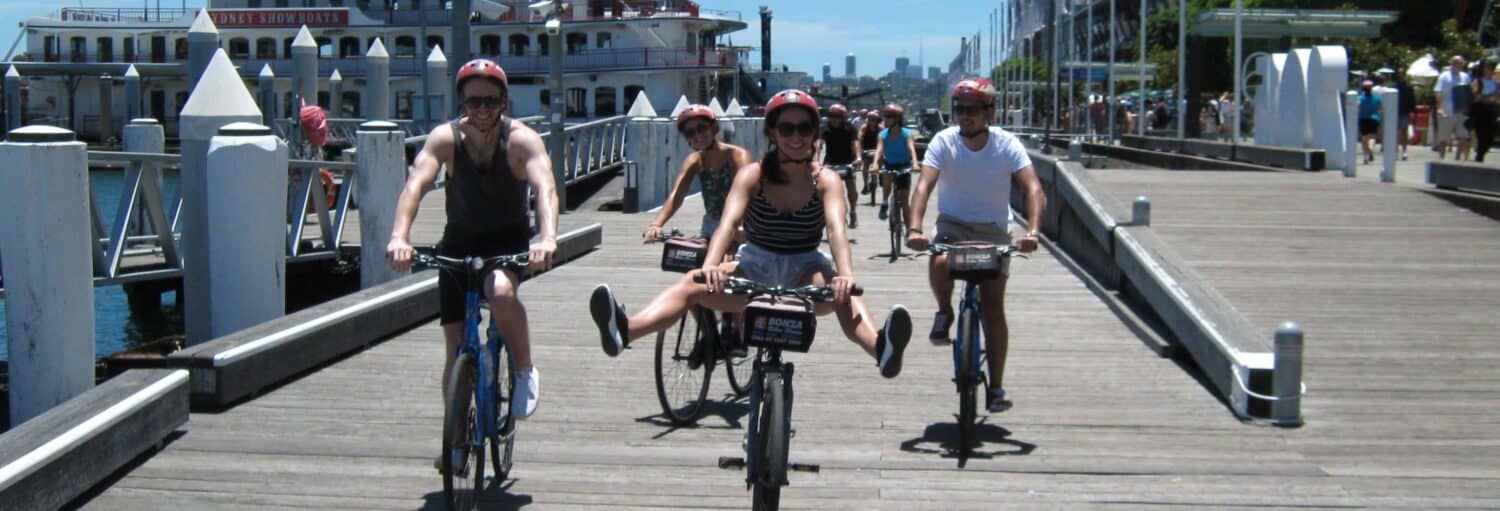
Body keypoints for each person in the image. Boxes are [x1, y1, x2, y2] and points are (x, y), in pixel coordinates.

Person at [590, 90, 913, 379]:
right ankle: (625, 330)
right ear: (772, 132)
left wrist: (845, 274)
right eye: (787, 128)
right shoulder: (753, 175)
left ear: (815, 132)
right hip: (754, 263)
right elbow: (728, 224)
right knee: (690, 283)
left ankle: (880, 348)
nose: (796, 136)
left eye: (805, 128)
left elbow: (836, 229)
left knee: (845, 295)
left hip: (805, 267)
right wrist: (712, 265)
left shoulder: (825, 180)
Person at [386, 59, 558, 436]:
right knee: (456, 343)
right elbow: (415, 185)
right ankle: (457, 435)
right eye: (473, 101)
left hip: (507, 241)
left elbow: (545, 188)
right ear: (461, 100)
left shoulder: (520, 140)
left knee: (499, 292)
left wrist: (546, 238)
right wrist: (400, 236)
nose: (482, 110)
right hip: (459, 243)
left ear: (504, 102)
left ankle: (526, 369)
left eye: (491, 102)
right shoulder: (445, 139)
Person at [906, 78, 1044, 414]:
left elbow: (1034, 189)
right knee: (939, 259)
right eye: (959, 110)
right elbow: (924, 186)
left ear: (989, 112)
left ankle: (995, 387)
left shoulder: (1007, 144)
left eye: (972, 110)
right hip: (953, 223)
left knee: (993, 308)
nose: (964, 117)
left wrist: (1034, 233)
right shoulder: (944, 141)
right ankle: (945, 311)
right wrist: (914, 228)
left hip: (993, 229)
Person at [643, 104, 754, 240]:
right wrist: (656, 224)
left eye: (702, 128)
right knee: (691, 256)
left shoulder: (737, 156)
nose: (697, 135)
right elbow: (677, 195)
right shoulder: (694, 160)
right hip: (711, 223)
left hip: (742, 222)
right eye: (690, 133)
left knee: (734, 259)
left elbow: (746, 195)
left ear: (713, 128)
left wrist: (738, 228)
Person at [871, 103, 919, 221]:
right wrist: (875, 163)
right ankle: (885, 202)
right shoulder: (882, 134)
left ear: (897, 118)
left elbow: (911, 148)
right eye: (885, 116)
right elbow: (879, 149)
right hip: (889, 165)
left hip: (904, 166)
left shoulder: (907, 133)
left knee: (904, 201)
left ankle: (910, 230)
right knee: (887, 178)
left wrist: (915, 163)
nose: (885, 119)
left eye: (888, 116)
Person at [817, 103, 860, 228]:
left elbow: (855, 143)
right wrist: (815, 159)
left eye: (838, 116)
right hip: (830, 162)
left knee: (850, 186)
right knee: (823, 188)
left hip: (847, 161)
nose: (835, 119)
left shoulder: (849, 128)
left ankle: (852, 211)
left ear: (843, 117)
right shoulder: (825, 128)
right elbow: (818, 144)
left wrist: (858, 157)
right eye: (832, 116)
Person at [1434, 55, 1473, 160]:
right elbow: (1438, 92)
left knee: (1464, 137)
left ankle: (1461, 160)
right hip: (1447, 111)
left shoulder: (1465, 76)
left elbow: (1469, 92)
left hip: (1462, 112)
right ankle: (1441, 160)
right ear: (1451, 63)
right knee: (1443, 138)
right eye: (1455, 62)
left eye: (1460, 63)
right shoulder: (1444, 76)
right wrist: (1440, 108)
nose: (1458, 65)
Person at [1471, 61, 1500, 163]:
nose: (1489, 71)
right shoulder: (1478, 81)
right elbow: (1476, 97)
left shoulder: (1495, 82)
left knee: (1491, 135)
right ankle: (1479, 155)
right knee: (1482, 134)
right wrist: (1490, 95)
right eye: (1487, 68)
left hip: (1492, 111)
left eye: (1490, 69)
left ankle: (1482, 152)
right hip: (1481, 111)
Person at [857, 110, 882, 195]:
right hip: (866, 150)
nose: (872, 121)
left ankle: (881, 175)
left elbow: (884, 138)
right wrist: (860, 140)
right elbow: (859, 137)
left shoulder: (880, 128)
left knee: (882, 160)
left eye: (874, 119)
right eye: (870, 119)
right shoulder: (864, 127)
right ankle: (865, 184)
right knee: (865, 167)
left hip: (877, 149)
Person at [1357, 80, 1383, 164]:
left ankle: (1365, 156)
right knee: (1372, 137)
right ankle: (1370, 150)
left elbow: (1358, 105)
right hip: (1374, 119)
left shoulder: (1360, 97)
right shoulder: (1377, 98)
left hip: (1363, 118)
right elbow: (1381, 108)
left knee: (1364, 139)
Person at [1393, 68, 1415, 160]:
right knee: (1395, 133)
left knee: (1404, 132)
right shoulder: (1393, 87)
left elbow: (1412, 100)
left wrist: (1412, 110)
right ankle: (1395, 151)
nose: (1400, 74)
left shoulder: (1408, 87)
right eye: (1399, 73)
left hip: (1405, 112)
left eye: (1402, 73)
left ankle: (1404, 151)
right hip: (1395, 112)